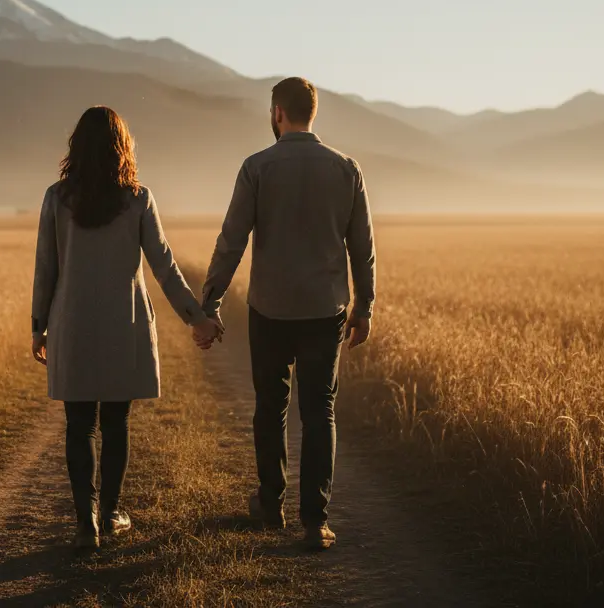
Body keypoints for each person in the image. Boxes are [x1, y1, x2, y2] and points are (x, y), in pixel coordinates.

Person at [31, 106, 222, 552]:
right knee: (115, 423)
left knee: (79, 425)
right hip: (125, 323)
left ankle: (86, 523)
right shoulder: (138, 198)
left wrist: (39, 326)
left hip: (71, 323)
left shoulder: (55, 198)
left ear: (75, 147)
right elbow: (165, 267)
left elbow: (46, 268)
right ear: (123, 147)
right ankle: (111, 513)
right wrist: (198, 318)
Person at [201, 77, 376, 551]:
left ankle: (271, 503)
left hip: (270, 310)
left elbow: (231, 241)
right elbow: (362, 249)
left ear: (278, 111)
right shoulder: (346, 169)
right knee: (320, 410)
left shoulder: (257, 167)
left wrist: (210, 301)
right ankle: (315, 521)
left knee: (270, 406)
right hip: (325, 311)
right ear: (311, 112)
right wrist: (365, 305)